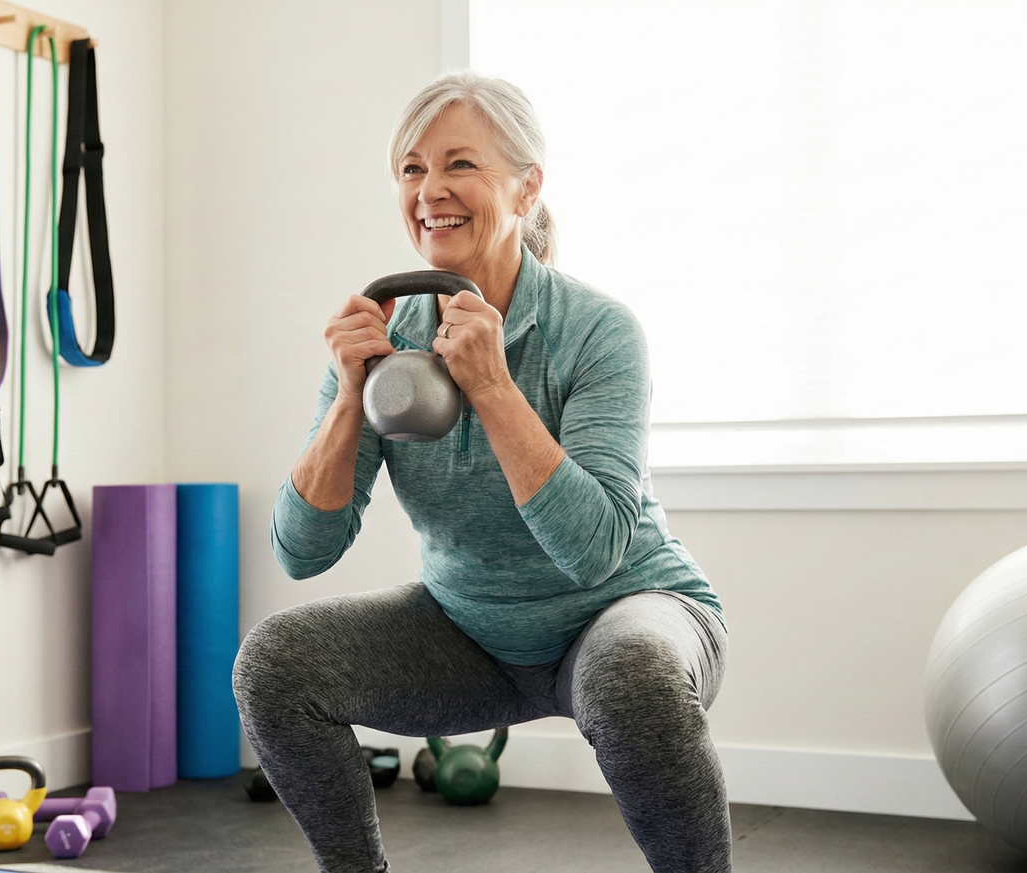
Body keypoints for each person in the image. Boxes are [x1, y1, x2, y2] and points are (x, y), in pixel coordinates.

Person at [233, 70, 731, 873]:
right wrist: (348, 399)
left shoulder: (599, 331)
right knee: (276, 663)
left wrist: (493, 385)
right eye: (412, 168)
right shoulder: (381, 338)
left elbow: (596, 548)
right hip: (471, 630)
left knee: (632, 675)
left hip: (628, 607)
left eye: (460, 164)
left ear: (527, 186)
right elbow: (302, 551)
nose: (432, 190)